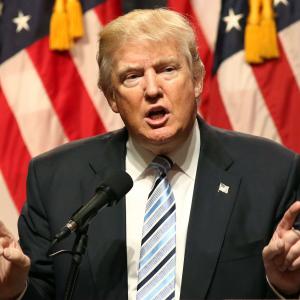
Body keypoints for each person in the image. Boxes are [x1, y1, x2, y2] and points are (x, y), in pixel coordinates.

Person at [0, 8, 300, 300]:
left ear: (196, 79)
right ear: (112, 97)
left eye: (167, 69)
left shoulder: (272, 173)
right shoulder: (55, 178)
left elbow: (284, 278)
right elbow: (44, 290)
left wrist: (284, 290)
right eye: (132, 76)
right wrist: (14, 291)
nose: (152, 89)